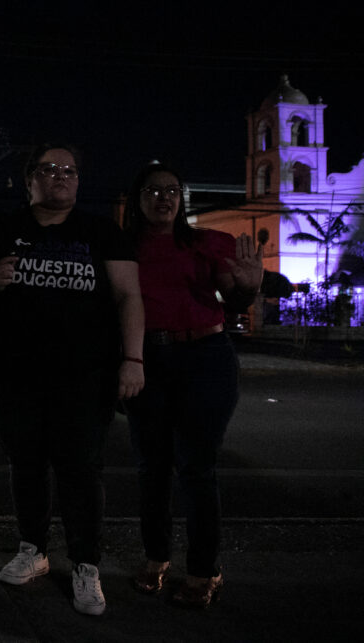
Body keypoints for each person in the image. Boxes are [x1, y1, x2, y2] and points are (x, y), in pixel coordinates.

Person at [0, 143, 145, 616]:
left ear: (78, 181)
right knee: (26, 464)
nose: (60, 177)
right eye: (48, 169)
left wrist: (133, 359)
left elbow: (129, 296)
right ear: (29, 181)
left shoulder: (101, 231)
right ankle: (33, 549)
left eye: (69, 170)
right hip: (12, 374)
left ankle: (86, 564)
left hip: (85, 376)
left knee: (81, 470)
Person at [122, 162, 262, 608]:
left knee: (197, 468)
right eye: (152, 191)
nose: (163, 198)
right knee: (152, 468)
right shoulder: (124, 248)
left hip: (205, 358)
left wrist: (247, 289)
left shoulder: (205, 241)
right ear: (137, 199)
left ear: (181, 200)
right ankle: (156, 557)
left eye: (172, 191)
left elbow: (231, 295)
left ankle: (204, 569)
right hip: (147, 359)